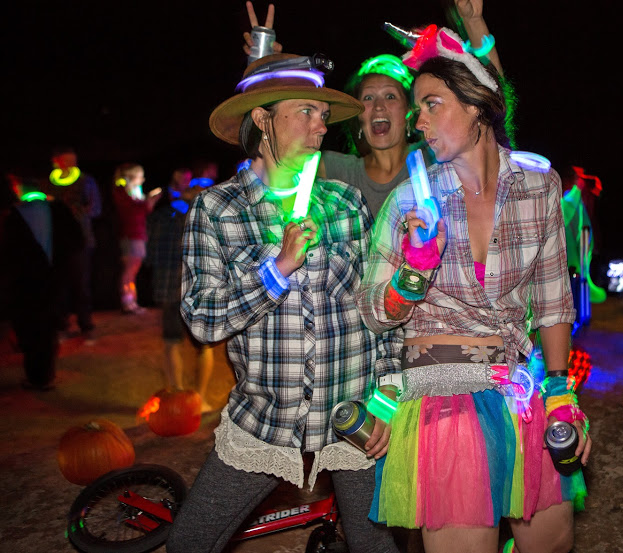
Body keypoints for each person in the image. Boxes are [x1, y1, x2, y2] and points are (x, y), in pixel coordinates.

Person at [356, 26, 591, 553]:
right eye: (416, 108)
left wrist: (559, 393)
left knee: (552, 544)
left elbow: (553, 303)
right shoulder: (410, 203)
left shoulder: (538, 189)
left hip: (522, 393)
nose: (417, 121)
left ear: (479, 105)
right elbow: (374, 311)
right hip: (444, 402)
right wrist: (414, 272)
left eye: (431, 104)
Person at [166, 52, 402, 553]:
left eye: (324, 114)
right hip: (265, 420)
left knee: (376, 548)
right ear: (262, 119)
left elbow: (380, 313)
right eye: (308, 112)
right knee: (189, 542)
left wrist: (384, 401)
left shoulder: (344, 203)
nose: (322, 125)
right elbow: (203, 321)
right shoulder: (217, 209)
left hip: (353, 420)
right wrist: (275, 271)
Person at [243, 0, 504, 215]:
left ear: (410, 112)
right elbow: (273, 149)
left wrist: (473, 22)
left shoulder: (432, 158)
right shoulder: (335, 170)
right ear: (359, 118)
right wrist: (265, 70)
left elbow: (488, 98)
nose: (378, 106)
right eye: (368, 98)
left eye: (390, 97)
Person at [0, 176, 83, 389]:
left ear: (18, 188)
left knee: (32, 327)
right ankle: (43, 375)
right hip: (54, 278)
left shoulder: (13, 215)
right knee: (46, 327)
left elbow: (8, 253)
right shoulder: (57, 209)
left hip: (26, 282)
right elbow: (77, 240)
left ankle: (39, 376)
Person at [147, 167, 214, 412]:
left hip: (169, 287)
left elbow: (151, 252)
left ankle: (176, 397)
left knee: (172, 343)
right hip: (196, 290)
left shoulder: (162, 215)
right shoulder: (204, 216)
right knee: (203, 346)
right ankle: (201, 399)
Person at [45, 146, 101, 339]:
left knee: (81, 284)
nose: (71, 164)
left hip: (80, 240)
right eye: (66, 160)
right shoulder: (48, 184)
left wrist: (76, 214)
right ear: (57, 161)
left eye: (73, 160)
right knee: (59, 285)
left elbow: (95, 208)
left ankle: (85, 323)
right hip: (55, 241)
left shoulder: (86, 181)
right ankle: (62, 323)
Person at [112, 163, 162, 314]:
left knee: (133, 270)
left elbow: (142, 210)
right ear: (131, 176)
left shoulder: (134, 192)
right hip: (130, 234)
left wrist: (148, 201)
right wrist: (150, 201)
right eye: (140, 176)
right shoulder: (121, 191)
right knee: (129, 270)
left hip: (138, 233)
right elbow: (133, 211)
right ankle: (127, 303)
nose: (142, 180)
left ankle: (131, 302)